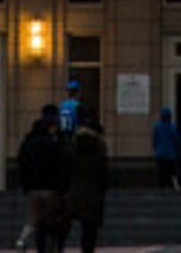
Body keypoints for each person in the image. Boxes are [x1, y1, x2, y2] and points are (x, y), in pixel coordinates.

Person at [14, 106, 70, 253]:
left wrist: (26, 185)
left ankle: (25, 241)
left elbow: (22, 163)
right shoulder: (56, 143)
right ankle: (50, 247)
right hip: (51, 189)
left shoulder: (29, 141)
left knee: (36, 221)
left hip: (34, 188)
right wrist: (62, 187)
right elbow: (62, 164)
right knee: (51, 221)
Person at [64, 114, 111, 253]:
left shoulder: (72, 145)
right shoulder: (99, 147)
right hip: (93, 192)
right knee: (90, 230)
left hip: (74, 190)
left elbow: (66, 168)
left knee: (65, 225)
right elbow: (103, 172)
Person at [152, 105, 181, 191]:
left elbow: (155, 140)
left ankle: (161, 187)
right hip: (170, 154)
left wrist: (155, 149)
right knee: (170, 173)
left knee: (161, 173)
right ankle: (170, 186)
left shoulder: (157, 127)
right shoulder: (173, 127)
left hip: (160, 153)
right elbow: (176, 141)